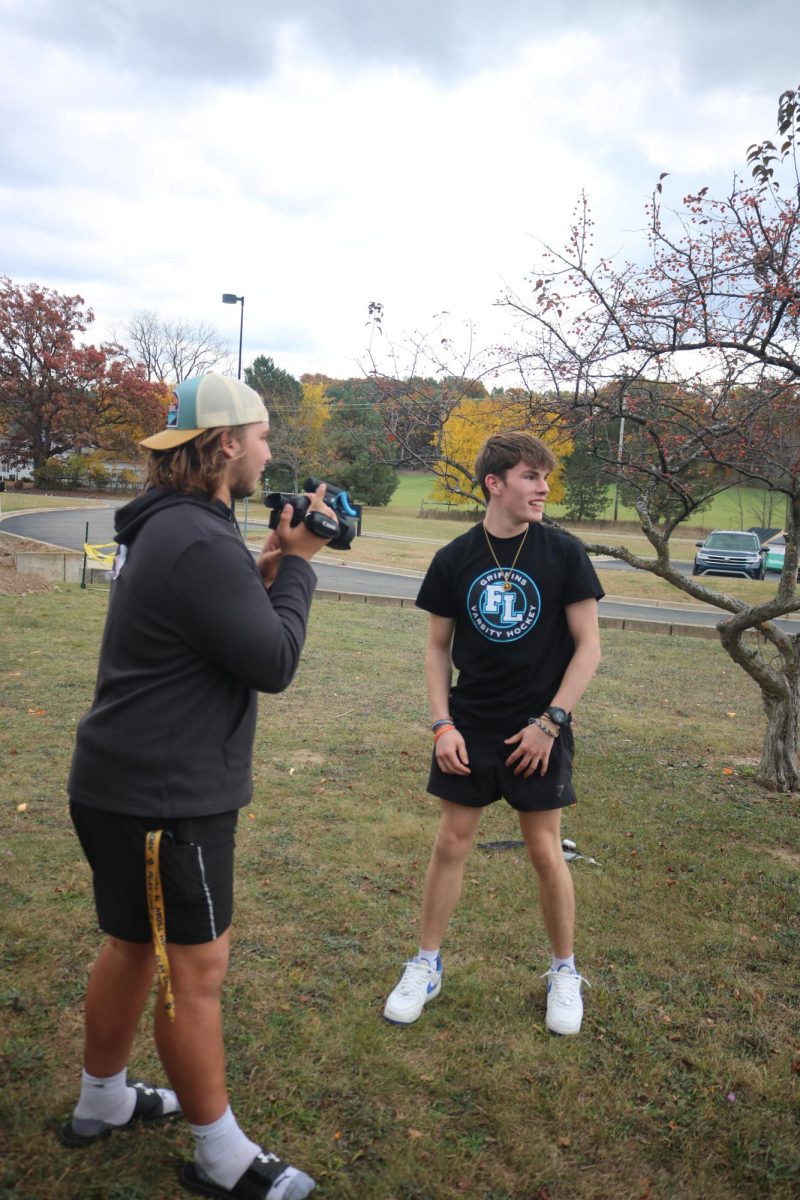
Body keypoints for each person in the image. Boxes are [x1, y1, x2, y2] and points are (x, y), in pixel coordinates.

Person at [62, 374, 332, 1199]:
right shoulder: (200, 540)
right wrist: (297, 567)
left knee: (133, 945)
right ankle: (222, 1157)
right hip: (166, 799)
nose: (269, 452)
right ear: (224, 446)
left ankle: (102, 1099)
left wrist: (262, 564)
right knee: (195, 967)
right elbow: (274, 662)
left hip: (119, 782)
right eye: (261, 436)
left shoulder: (170, 528)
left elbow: (208, 621)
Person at [383, 431, 603, 1036]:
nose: (544, 488)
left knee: (544, 849)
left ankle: (564, 970)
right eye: (532, 476)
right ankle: (425, 964)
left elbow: (589, 648)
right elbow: (436, 647)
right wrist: (441, 723)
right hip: (470, 726)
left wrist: (549, 723)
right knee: (451, 842)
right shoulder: (455, 558)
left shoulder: (563, 554)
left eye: (545, 477)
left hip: (540, 729)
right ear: (495, 484)